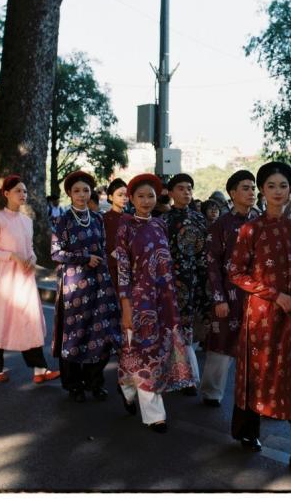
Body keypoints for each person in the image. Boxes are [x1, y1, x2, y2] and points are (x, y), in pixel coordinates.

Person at [228, 161, 291, 471]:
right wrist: (275, 295)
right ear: (262, 191)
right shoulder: (250, 229)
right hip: (261, 315)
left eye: (283, 186)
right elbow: (235, 272)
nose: (278, 192)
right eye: (271, 186)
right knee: (258, 374)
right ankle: (247, 431)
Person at [114, 174, 196, 433]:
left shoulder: (161, 225)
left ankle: (126, 387)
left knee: (141, 352)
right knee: (142, 351)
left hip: (164, 299)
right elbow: (123, 271)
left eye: (150, 196)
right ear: (131, 199)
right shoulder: (125, 227)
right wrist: (126, 306)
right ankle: (154, 415)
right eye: (141, 196)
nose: (146, 201)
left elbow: (167, 264)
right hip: (138, 301)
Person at [0, 175, 60, 384]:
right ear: (6, 194)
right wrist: (11, 256)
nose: (23, 194)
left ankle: (40, 369)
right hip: (4, 280)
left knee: (29, 319)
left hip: (25, 278)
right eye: (18, 191)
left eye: (24, 191)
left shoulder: (27, 221)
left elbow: (30, 248)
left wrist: (32, 258)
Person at [51, 171, 122, 403]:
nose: (81, 195)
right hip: (74, 285)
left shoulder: (97, 218)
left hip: (98, 283)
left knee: (100, 332)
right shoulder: (62, 221)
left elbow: (101, 248)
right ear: (69, 194)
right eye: (76, 191)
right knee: (75, 335)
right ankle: (74, 385)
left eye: (85, 190)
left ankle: (95, 382)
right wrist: (84, 257)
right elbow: (56, 253)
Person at [200, 170, 259, 407]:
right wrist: (218, 298)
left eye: (253, 188)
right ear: (232, 193)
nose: (251, 192)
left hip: (257, 296)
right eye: (245, 188)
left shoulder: (262, 220)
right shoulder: (221, 225)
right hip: (227, 294)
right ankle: (212, 393)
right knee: (221, 346)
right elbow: (212, 264)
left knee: (256, 348)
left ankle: (255, 397)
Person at [161, 173, 207, 395]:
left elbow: (206, 255)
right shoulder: (163, 221)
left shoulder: (200, 219)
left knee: (189, 330)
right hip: (170, 283)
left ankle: (186, 376)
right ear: (170, 193)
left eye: (189, 188)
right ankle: (180, 376)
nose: (186, 192)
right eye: (180, 188)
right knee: (172, 328)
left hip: (195, 281)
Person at [102, 178, 128, 289]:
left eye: (126, 195)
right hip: (111, 266)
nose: (124, 198)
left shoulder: (130, 218)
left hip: (128, 265)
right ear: (110, 197)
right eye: (120, 195)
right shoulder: (104, 218)